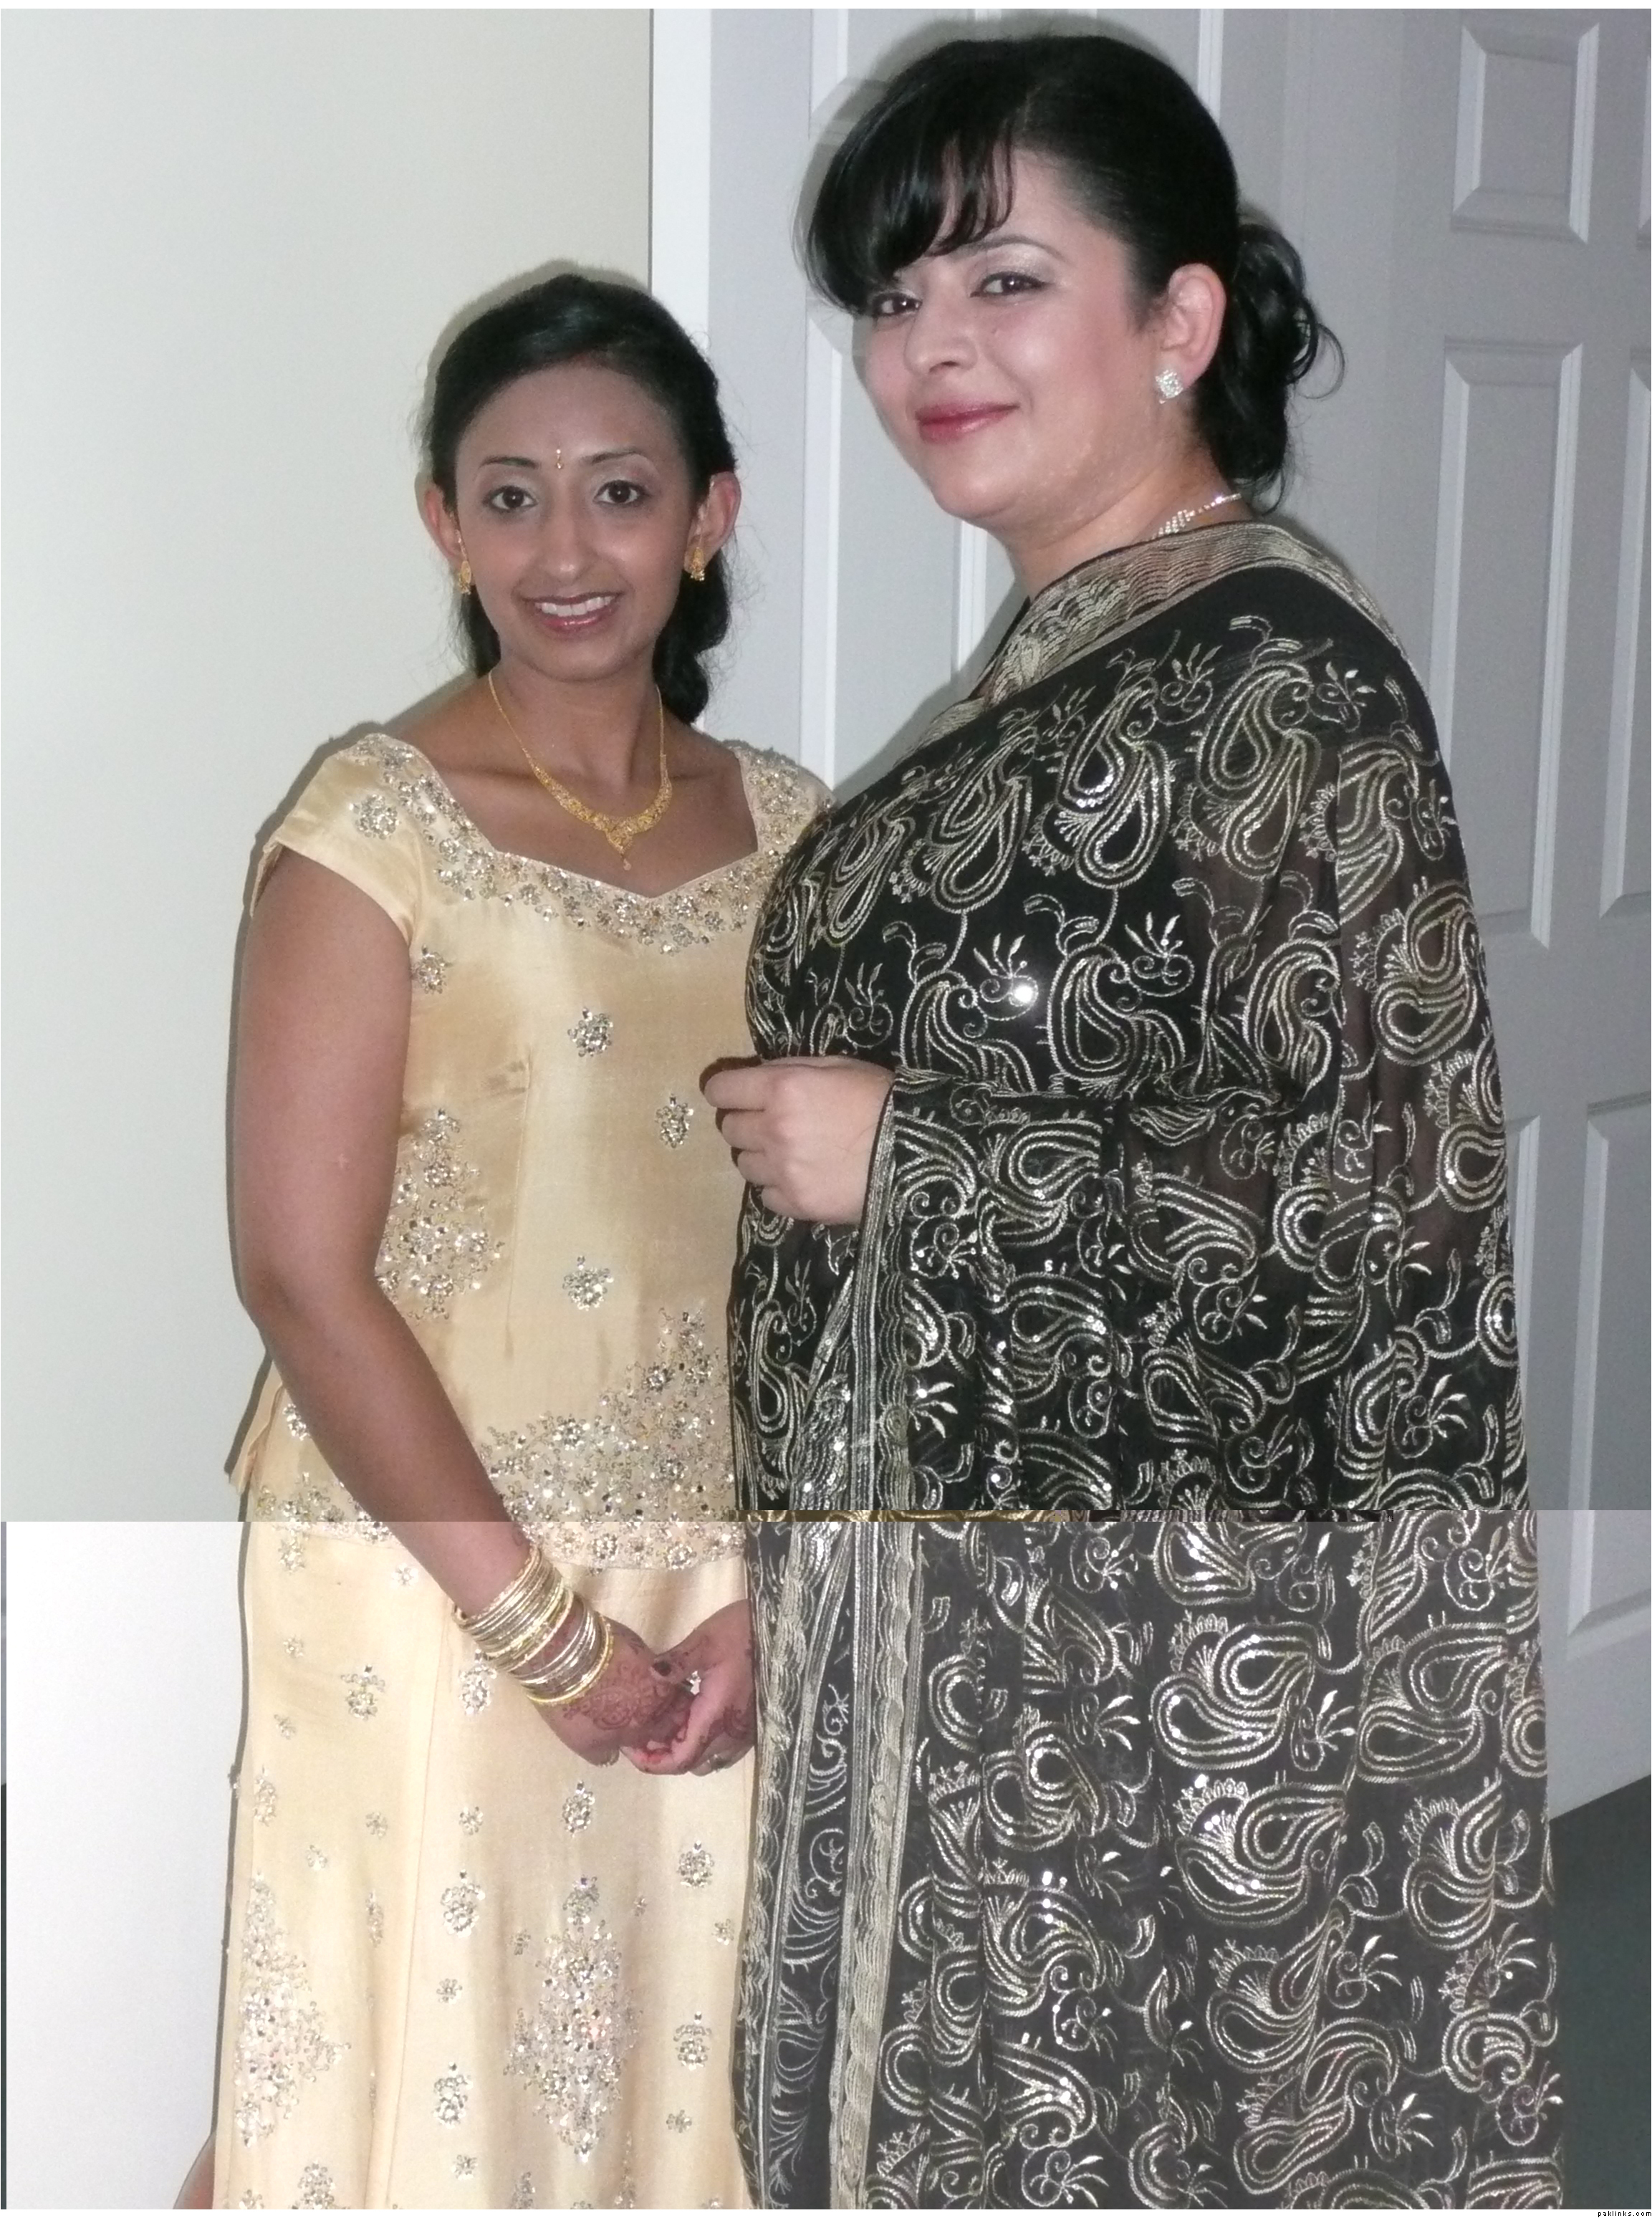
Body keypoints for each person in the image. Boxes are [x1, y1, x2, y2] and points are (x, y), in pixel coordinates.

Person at [702, 33, 1562, 2209]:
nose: (928, 349)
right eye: (894, 297)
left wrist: (908, 1156)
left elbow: (1376, 1208)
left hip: (1147, 1672)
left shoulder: (1274, 683)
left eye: (1003, 280)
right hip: (973, 1636)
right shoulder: (1078, 655)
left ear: (1179, 319)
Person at [192, 272, 825, 2212]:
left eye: (621, 492)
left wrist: (779, 1583)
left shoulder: (800, 834)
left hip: (710, 1574)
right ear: (444, 525)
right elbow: (300, 1272)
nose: (567, 551)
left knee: (678, 2069)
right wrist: (533, 1623)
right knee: (426, 2078)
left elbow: (836, 1259)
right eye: (512, 496)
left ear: (708, 516)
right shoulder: (374, 831)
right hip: (432, 1561)